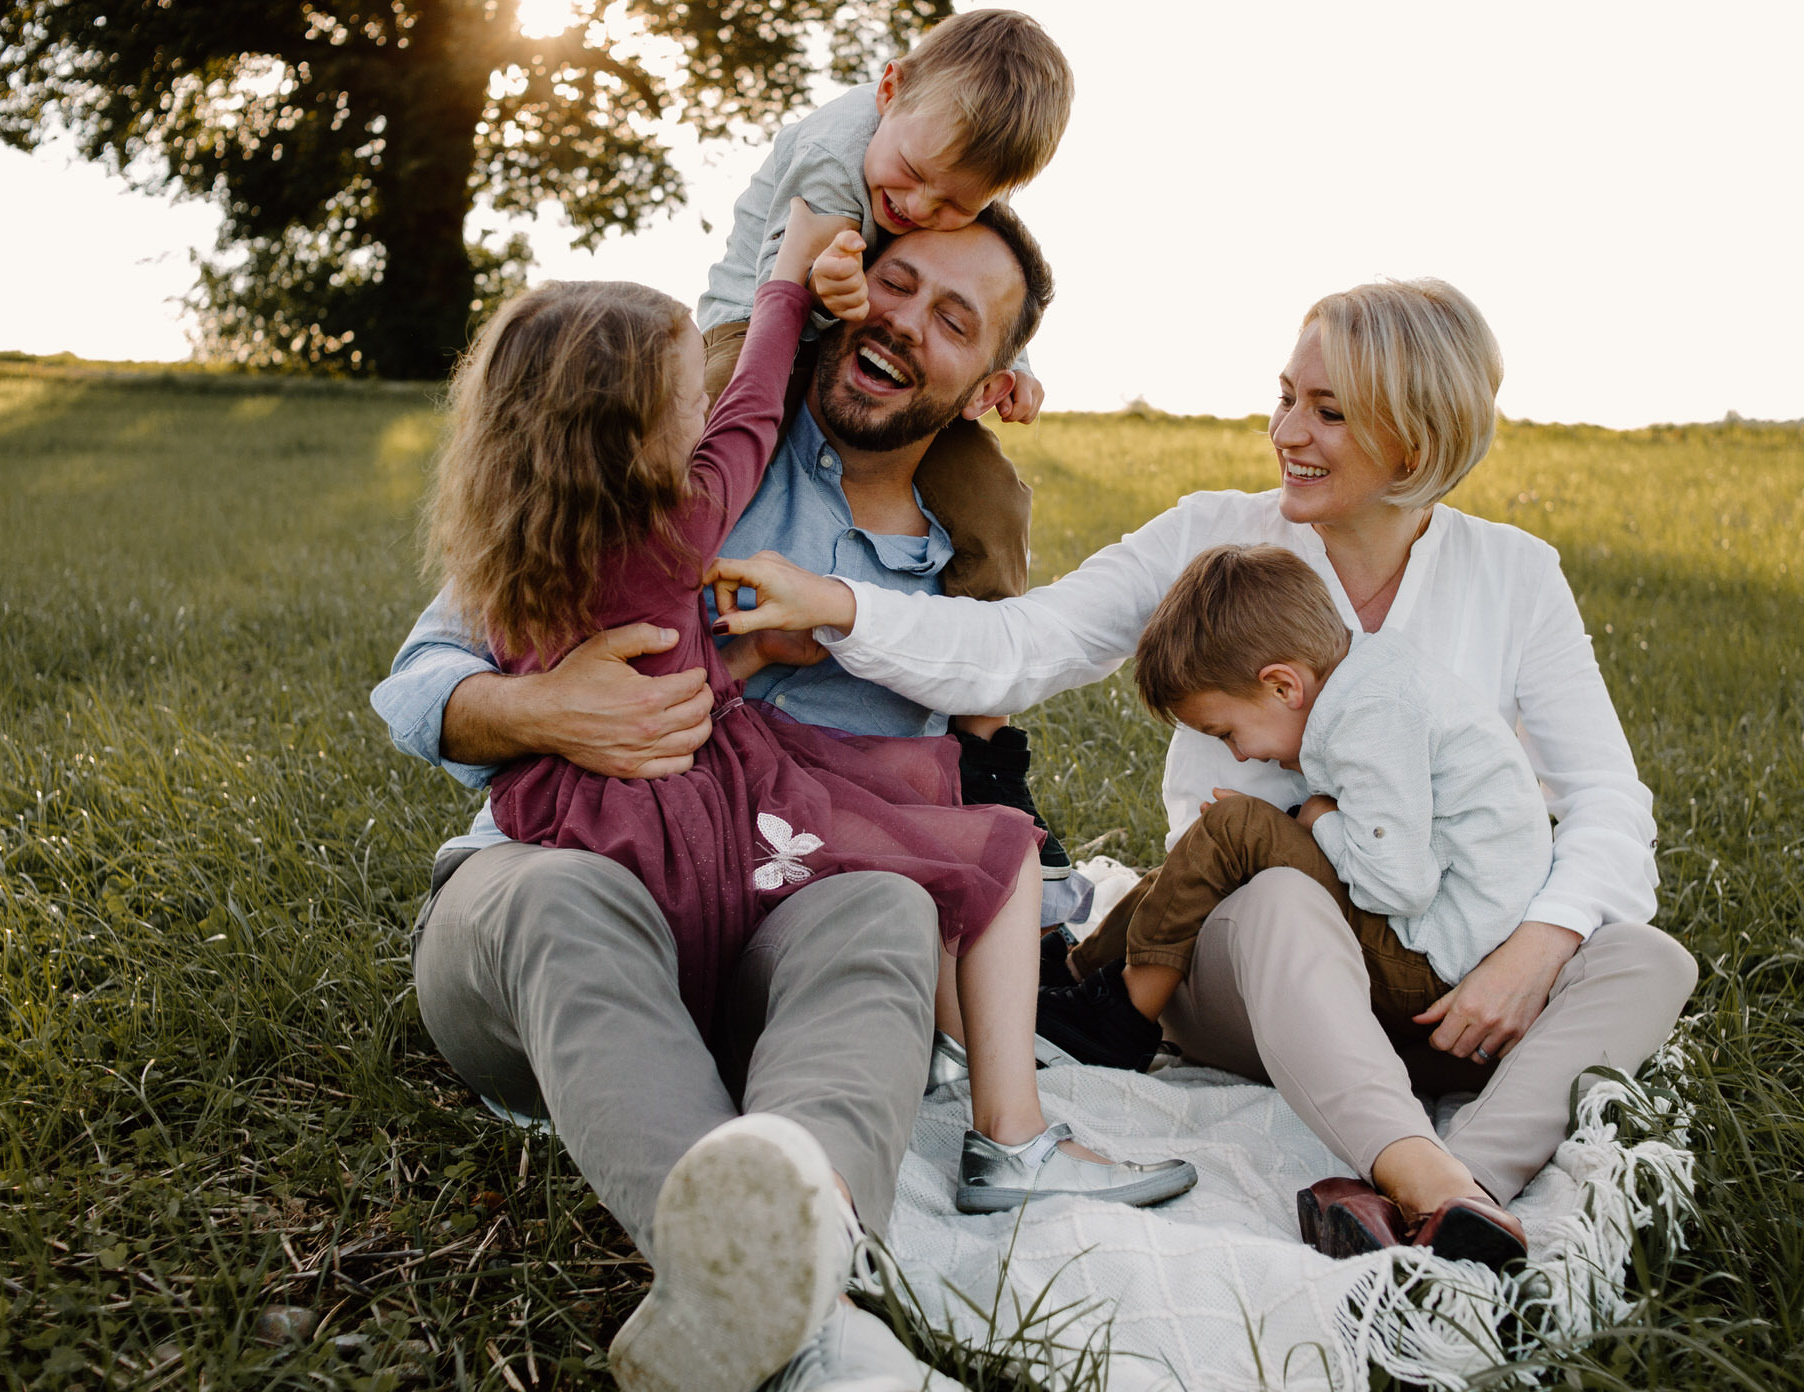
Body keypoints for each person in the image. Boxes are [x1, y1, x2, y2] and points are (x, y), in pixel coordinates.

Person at [711, 277, 1702, 1265]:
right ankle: (1415, 1163)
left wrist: (1534, 948)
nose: (1287, 432)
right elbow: (1023, 641)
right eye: (1285, 397)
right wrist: (840, 604)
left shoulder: (1513, 572)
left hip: (1448, 971)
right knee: (1278, 895)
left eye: (1328, 411)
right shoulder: (1214, 535)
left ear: (1414, 437)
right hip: (1251, 957)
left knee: (1646, 957)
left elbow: (1609, 803)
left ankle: (1451, 1190)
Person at [377, 204, 1184, 1392]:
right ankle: (808, 1330)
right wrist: (547, 711)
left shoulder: (962, 559)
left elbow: (993, 738)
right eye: (893, 283)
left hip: (777, 919)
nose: (903, 322)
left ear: (991, 384)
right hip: (556, 916)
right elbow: (422, 676)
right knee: (558, 896)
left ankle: (777, 1289)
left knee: (886, 910)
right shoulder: (671, 452)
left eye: (952, 319)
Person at [1031, 542, 1554, 1266]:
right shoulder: (1374, 681)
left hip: (1433, 964)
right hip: (1437, 938)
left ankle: (1120, 1013)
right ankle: (1083, 978)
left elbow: (1398, 882)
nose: (1239, 753)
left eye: (1225, 731)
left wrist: (1314, 821)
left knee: (1237, 826)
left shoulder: (1372, 712)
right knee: (1229, 838)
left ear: (1283, 686)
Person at [696, 7, 1073, 608]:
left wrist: (1017, 364)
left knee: (992, 494)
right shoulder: (834, 152)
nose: (919, 207)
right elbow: (787, 292)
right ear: (889, 90)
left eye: (955, 203)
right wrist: (829, 288)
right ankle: (639, 565)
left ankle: (987, 660)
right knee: (700, 436)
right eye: (914, 174)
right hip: (753, 323)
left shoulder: (939, 168)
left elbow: (988, 279)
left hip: (866, 341)